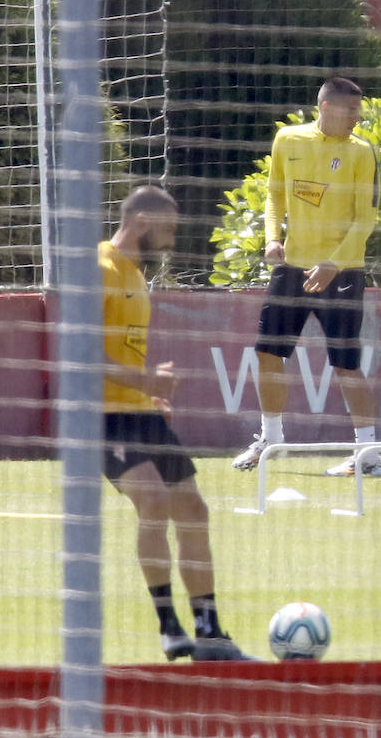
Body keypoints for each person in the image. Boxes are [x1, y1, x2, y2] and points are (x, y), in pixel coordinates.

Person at [100, 185, 251, 660]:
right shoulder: (99, 269)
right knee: (155, 500)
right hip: (101, 418)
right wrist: (147, 382)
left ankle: (209, 631)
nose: (169, 242)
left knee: (194, 510)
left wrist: (151, 391)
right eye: (165, 230)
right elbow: (78, 354)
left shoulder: (138, 276)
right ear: (141, 223)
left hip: (142, 413)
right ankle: (169, 626)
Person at [231, 77, 381, 477]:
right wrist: (272, 239)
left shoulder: (361, 152)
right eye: (351, 111)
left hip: (343, 272)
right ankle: (272, 439)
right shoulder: (288, 140)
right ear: (326, 108)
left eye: (359, 112)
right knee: (267, 352)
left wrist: (334, 262)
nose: (356, 119)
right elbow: (274, 195)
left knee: (346, 364)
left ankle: (368, 454)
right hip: (292, 269)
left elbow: (365, 219)